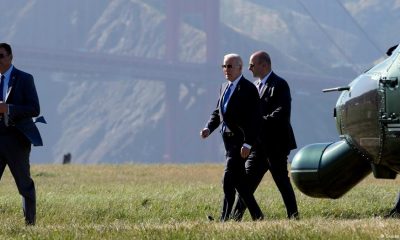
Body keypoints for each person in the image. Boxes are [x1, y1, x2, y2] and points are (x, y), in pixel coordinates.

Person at [232, 51, 299, 220]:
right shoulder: (254, 86)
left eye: (252, 65)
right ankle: (234, 219)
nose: (249, 68)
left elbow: (282, 112)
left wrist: (258, 121)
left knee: (282, 182)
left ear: (264, 65)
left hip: (276, 145)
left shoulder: (280, 84)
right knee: (246, 184)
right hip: (258, 145)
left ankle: (294, 217)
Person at [200, 53, 264, 221]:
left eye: (229, 66)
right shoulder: (223, 87)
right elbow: (218, 113)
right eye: (224, 66)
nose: (226, 70)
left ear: (239, 68)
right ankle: (258, 216)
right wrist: (208, 128)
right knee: (241, 184)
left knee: (228, 180)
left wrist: (248, 143)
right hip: (228, 143)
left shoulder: (249, 89)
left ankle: (224, 220)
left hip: (241, 143)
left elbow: (255, 120)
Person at [0, 43, 43, 225]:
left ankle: (30, 224)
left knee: (24, 184)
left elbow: (34, 109)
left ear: (10, 57)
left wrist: (8, 108)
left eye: (1, 56)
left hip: (16, 140)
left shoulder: (25, 79)